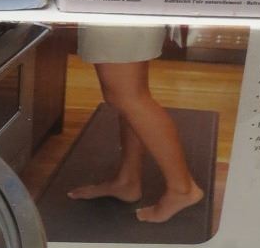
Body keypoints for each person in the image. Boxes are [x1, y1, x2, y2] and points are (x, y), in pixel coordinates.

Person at [69, 26, 206, 226]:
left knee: (126, 96)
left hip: (116, 10)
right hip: (123, 10)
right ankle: (128, 181)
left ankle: (182, 190)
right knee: (130, 93)